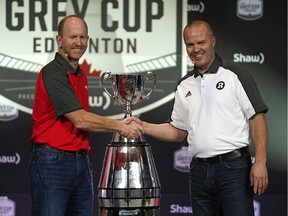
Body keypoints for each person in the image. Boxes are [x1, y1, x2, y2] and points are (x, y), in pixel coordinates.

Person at [135, 20, 269, 216]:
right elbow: (177, 131)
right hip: (198, 171)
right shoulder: (184, 85)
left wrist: (260, 162)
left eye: (201, 43)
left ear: (213, 41)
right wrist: (143, 126)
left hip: (234, 170)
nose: (196, 49)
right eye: (190, 44)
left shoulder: (235, 75)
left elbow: (257, 118)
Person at [29, 15, 142, 216]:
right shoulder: (53, 73)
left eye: (82, 37)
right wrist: (121, 126)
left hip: (81, 161)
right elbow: (80, 119)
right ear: (59, 40)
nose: (78, 43)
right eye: (72, 37)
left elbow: (84, 123)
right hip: (53, 161)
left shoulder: (80, 75)